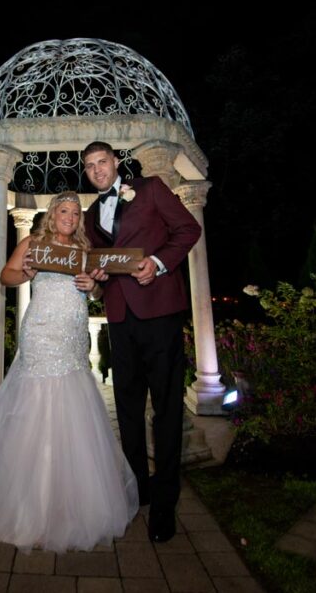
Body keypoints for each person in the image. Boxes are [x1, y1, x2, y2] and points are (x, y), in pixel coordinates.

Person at [0, 190, 139, 553]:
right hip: (40, 334)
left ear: (79, 219)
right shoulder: (34, 243)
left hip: (72, 337)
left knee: (73, 409)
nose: (69, 216)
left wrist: (93, 286)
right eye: (63, 210)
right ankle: (26, 507)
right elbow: (5, 276)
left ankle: (72, 502)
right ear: (52, 214)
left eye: (74, 212)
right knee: (35, 407)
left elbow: (98, 292)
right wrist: (26, 271)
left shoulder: (85, 252)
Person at [82, 141, 201, 543]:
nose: (97, 171)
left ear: (116, 162)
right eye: (90, 167)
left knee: (166, 408)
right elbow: (102, 262)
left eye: (102, 162)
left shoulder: (149, 188)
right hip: (119, 318)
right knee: (129, 410)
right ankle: (139, 491)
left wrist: (160, 263)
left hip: (160, 312)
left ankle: (165, 504)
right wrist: (98, 277)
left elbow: (189, 229)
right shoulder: (91, 214)